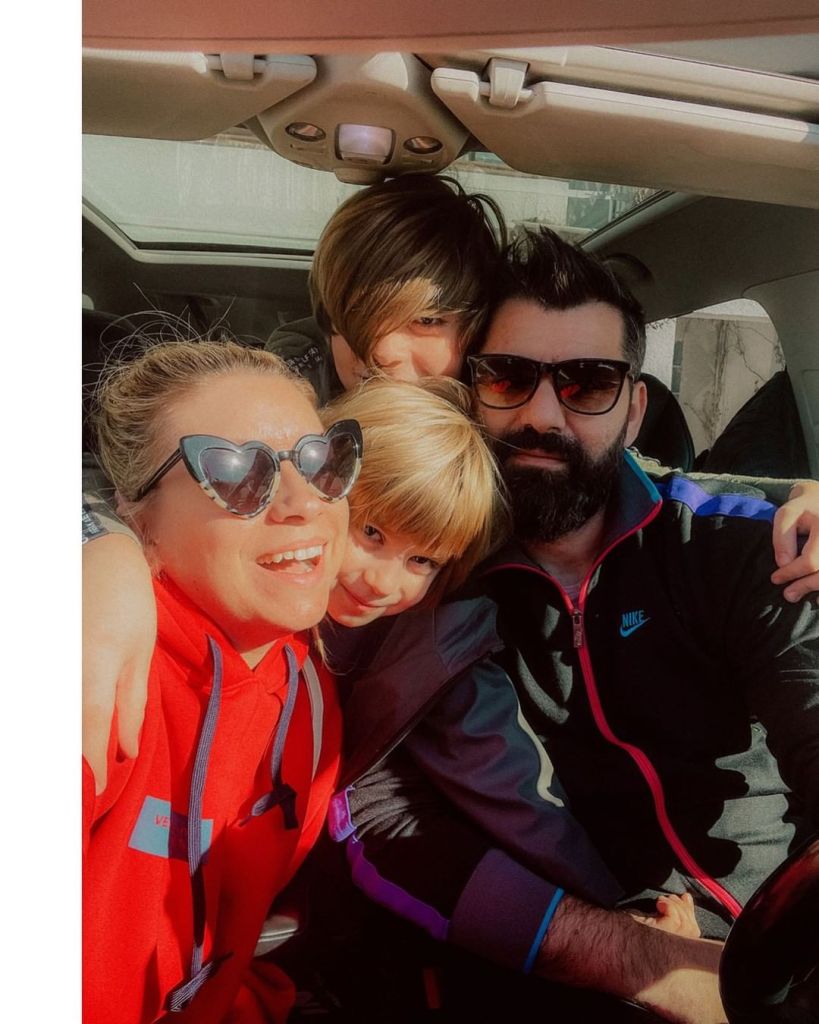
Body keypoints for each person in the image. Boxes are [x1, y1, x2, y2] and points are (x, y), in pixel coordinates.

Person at [334, 228, 819, 1020]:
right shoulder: (418, 580)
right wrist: (637, 959)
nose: (541, 415)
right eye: (508, 377)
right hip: (558, 958)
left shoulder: (736, 544)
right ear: (468, 391)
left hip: (775, 937)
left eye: (587, 383)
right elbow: (375, 810)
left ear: (633, 411)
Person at [83, 340, 359, 1023]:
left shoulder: (310, 695)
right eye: (235, 473)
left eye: (321, 462)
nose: (302, 502)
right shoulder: (96, 661)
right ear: (138, 516)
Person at [264, 173, 505, 401]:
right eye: (356, 311)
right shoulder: (290, 389)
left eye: (425, 321)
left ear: (476, 336)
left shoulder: (509, 417)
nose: (382, 352)